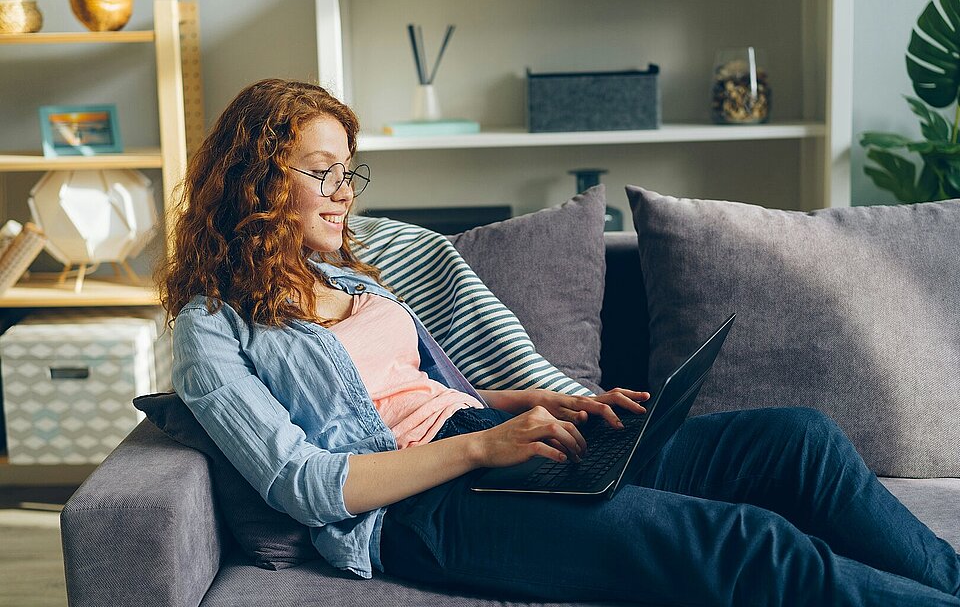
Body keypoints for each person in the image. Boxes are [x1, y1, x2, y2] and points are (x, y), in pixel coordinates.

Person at [159, 78, 960, 606]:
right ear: (259, 181)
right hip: (424, 507)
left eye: (349, 174)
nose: (344, 194)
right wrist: (484, 448)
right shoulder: (211, 329)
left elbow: (427, 395)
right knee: (741, 543)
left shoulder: (354, 280)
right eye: (323, 172)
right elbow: (304, 485)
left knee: (797, 441)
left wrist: (544, 405)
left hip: (488, 445)